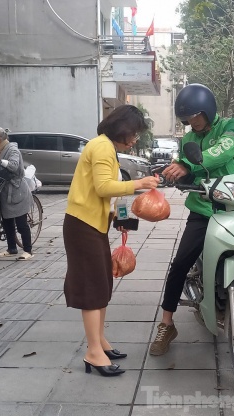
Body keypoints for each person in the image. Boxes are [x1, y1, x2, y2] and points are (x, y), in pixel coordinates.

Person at [63, 105, 159, 377]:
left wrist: (119, 216)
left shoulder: (106, 147)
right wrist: (139, 184)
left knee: (102, 284)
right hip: (83, 226)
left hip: (93, 224)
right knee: (93, 288)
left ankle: (100, 342)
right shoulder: (102, 147)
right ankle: (93, 352)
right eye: (136, 133)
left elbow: (104, 194)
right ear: (124, 129)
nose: (136, 139)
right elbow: (103, 187)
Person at [150, 83, 234, 356]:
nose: (192, 123)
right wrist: (175, 173)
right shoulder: (188, 140)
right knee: (180, 264)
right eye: (187, 120)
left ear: (208, 110)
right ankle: (167, 324)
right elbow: (190, 171)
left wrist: (188, 164)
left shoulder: (231, 127)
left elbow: (223, 153)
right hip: (204, 211)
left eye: (195, 117)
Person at [0, 127, 34, 260]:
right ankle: (12, 248)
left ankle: (28, 250)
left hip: (16, 191)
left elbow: (14, 166)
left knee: (21, 223)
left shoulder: (12, 150)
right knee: (7, 221)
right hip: (3, 190)